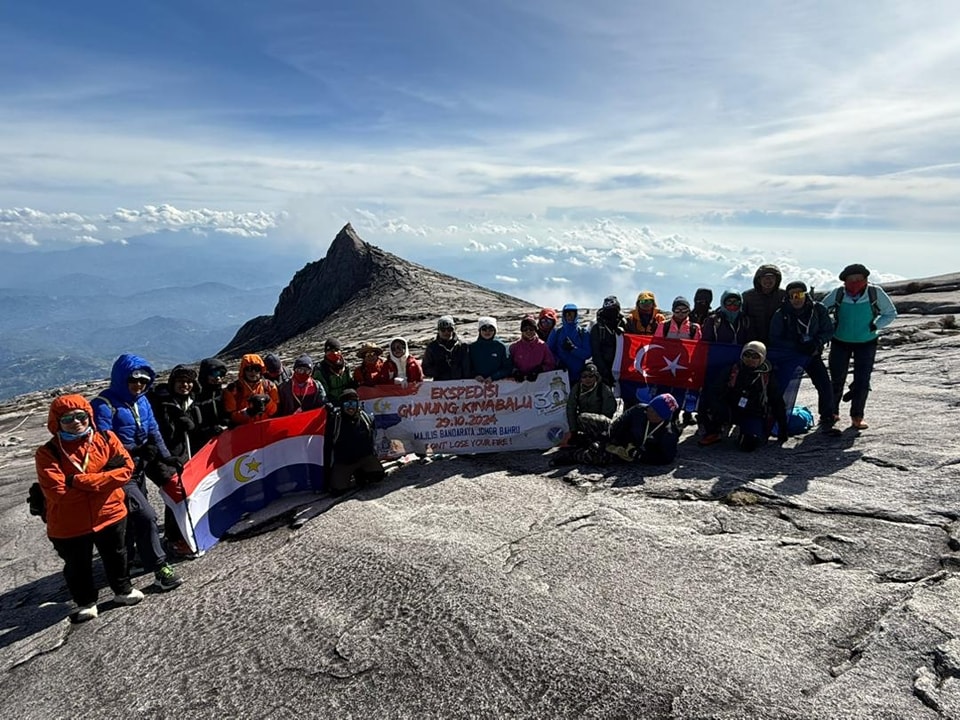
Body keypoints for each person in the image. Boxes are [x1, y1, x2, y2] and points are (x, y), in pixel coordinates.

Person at [36, 395, 144, 622]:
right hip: (69, 523)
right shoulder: (48, 452)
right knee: (77, 565)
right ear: (56, 422)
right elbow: (58, 493)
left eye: (80, 416)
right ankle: (86, 603)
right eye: (67, 418)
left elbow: (125, 471)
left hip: (110, 513)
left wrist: (77, 480)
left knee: (117, 555)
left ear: (89, 416)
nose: (76, 422)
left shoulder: (106, 438)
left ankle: (123, 591)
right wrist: (104, 479)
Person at [91, 354, 183, 591]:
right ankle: (160, 568)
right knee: (145, 515)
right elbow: (103, 443)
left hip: (139, 468)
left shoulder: (142, 401)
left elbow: (153, 430)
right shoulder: (103, 405)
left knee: (132, 518)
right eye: (134, 380)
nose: (139, 385)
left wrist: (166, 456)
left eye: (144, 380)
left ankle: (133, 559)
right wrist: (135, 450)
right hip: (118, 473)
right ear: (121, 378)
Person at [823, 263, 898, 430]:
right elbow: (822, 310)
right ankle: (831, 414)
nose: (855, 283)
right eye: (852, 280)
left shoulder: (874, 293)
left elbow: (890, 313)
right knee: (836, 379)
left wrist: (876, 325)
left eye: (859, 279)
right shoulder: (839, 293)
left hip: (866, 342)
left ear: (866, 279)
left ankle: (857, 416)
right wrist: (831, 324)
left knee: (862, 380)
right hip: (840, 341)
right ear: (845, 281)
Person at [769, 281, 840, 435]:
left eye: (800, 294)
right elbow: (774, 338)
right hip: (790, 356)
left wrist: (817, 342)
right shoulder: (781, 314)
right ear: (788, 297)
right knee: (780, 387)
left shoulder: (818, 309)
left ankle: (827, 416)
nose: (797, 298)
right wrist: (795, 345)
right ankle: (772, 416)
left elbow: (828, 330)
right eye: (793, 295)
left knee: (824, 384)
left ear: (805, 294)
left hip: (811, 354)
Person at [149, 364, 202, 557]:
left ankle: (182, 534)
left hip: (182, 455)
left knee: (184, 493)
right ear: (173, 382)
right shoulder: (160, 402)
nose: (185, 385)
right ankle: (173, 539)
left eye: (189, 381)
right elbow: (159, 431)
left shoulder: (190, 400)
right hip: (162, 457)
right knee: (176, 493)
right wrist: (176, 420)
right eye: (181, 381)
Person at [700, 342, 788, 451]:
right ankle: (714, 431)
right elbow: (714, 391)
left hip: (752, 413)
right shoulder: (733, 370)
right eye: (747, 355)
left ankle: (746, 433)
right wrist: (717, 407)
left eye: (755, 356)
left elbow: (777, 401)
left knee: (749, 445)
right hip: (730, 409)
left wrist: (783, 429)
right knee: (705, 403)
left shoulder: (767, 376)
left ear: (762, 358)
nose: (750, 359)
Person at [558, 393, 681, 466]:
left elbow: (666, 458)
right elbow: (620, 423)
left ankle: (573, 456)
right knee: (585, 418)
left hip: (629, 454)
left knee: (596, 456)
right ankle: (585, 440)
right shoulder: (640, 409)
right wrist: (610, 440)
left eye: (653, 411)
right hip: (620, 439)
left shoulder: (668, 433)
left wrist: (640, 456)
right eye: (650, 407)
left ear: (662, 417)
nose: (649, 411)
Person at [326, 389, 385, 495]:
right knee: (338, 491)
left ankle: (361, 473)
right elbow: (328, 445)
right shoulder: (336, 421)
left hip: (363, 458)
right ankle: (346, 475)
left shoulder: (364, 417)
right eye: (347, 404)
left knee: (378, 475)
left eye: (353, 403)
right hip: (344, 462)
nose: (350, 407)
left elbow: (371, 438)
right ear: (342, 405)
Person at [223, 354, 280, 426]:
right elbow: (231, 416)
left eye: (256, 369)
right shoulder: (232, 389)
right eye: (249, 369)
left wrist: (268, 401)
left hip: (266, 429)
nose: (253, 372)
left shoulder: (269, 386)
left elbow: (274, 412)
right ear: (243, 370)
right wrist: (248, 412)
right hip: (243, 431)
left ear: (261, 370)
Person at [565, 362, 616, 437]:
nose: (587, 379)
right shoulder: (577, 388)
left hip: (602, 422)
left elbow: (608, 410)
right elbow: (571, 408)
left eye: (591, 376)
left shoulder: (603, 388)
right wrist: (573, 431)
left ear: (596, 377)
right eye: (584, 376)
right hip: (584, 423)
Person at [547, 304, 592, 385]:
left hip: (580, 377)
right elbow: (548, 352)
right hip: (560, 375)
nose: (569, 316)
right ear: (563, 315)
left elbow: (588, 354)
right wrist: (558, 362)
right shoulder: (557, 331)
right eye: (567, 314)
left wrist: (573, 349)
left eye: (572, 314)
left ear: (576, 315)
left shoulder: (583, 333)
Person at [741, 265, 787, 344]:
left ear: (777, 279)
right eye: (765, 277)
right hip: (752, 340)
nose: (768, 280)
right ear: (759, 279)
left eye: (772, 277)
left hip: (778, 341)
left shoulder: (784, 296)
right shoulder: (747, 296)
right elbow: (736, 313)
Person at [590, 296, 626, 388]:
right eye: (608, 311)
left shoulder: (624, 323)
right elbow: (596, 352)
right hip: (603, 369)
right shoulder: (597, 327)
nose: (611, 314)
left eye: (614, 310)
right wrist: (605, 373)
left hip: (621, 368)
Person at [194, 357, 229, 446]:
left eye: (221, 374)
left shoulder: (225, 393)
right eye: (214, 373)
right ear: (205, 375)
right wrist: (207, 430)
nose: (218, 377)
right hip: (203, 444)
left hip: (225, 439)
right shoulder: (195, 397)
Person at [509, 316, 556, 381]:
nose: (528, 331)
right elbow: (508, 364)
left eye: (531, 329)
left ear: (535, 330)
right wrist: (515, 371)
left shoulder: (542, 346)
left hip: (538, 383)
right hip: (518, 384)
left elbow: (550, 364)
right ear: (521, 331)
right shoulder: (514, 347)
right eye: (525, 329)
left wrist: (539, 370)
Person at [468, 317, 513, 382]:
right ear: (479, 331)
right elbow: (468, 367)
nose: (487, 332)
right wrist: (475, 375)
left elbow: (507, 368)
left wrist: (493, 377)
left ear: (495, 331)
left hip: (497, 384)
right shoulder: (472, 347)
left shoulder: (501, 347)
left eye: (491, 329)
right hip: (476, 384)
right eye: (484, 329)